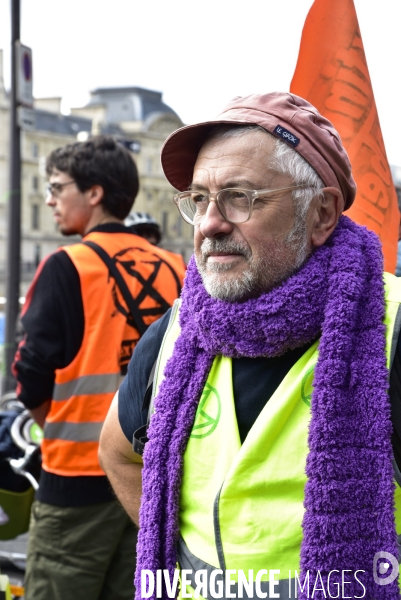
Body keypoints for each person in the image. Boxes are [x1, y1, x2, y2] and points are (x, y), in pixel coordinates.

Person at [98, 94, 401, 600]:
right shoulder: (177, 329)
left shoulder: (390, 329)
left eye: (240, 197)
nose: (210, 224)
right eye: (198, 199)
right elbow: (119, 453)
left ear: (321, 213)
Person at [12, 135, 186, 600]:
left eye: (57, 187)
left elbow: (29, 373)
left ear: (93, 193)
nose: (49, 200)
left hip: (76, 478)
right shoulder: (175, 268)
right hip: (152, 477)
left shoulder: (67, 265)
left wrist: (57, 424)